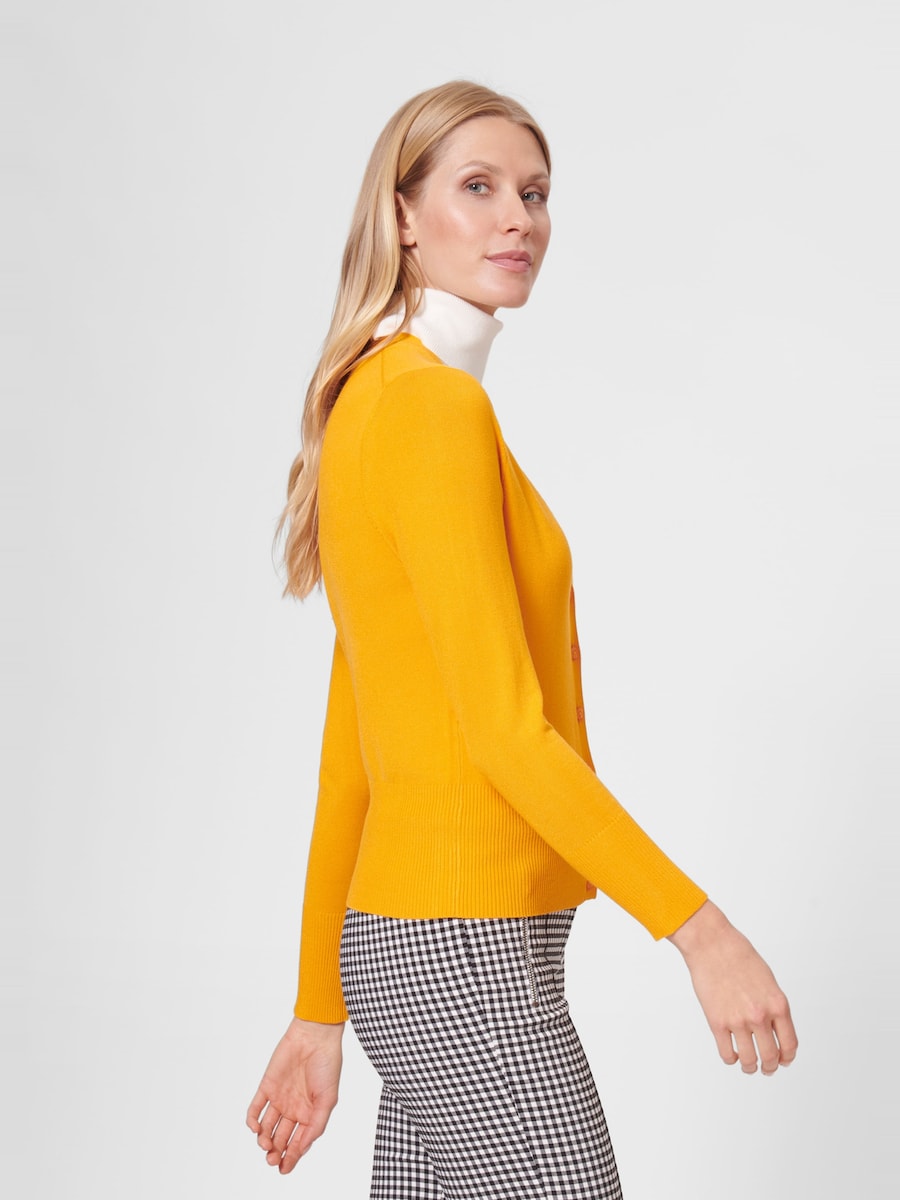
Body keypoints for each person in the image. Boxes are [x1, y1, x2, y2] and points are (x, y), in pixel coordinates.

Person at [246, 80, 797, 1198]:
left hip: (410, 950)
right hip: (463, 956)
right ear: (403, 215)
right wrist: (701, 932)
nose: (518, 220)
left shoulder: (374, 401)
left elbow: (354, 747)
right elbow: (505, 730)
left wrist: (319, 1008)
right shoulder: (432, 410)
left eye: (535, 194)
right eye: (479, 187)